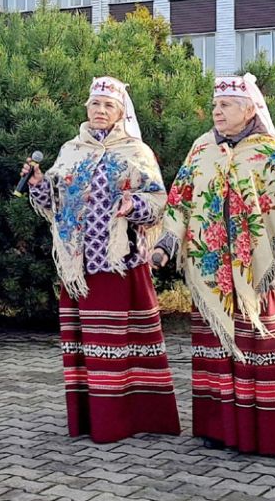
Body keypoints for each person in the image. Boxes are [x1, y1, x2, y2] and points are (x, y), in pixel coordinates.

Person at [152, 73, 275, 456]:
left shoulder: (269, 153)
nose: (217, 110)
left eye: (225, 105)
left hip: (252, 275)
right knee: (213, 347)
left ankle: (266, 435)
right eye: (215, 105)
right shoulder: (200, 149)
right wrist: (163, 247)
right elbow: (180, 202)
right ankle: (219, 430)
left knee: (255, 346)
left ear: (249, 109)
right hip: (209, 271)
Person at [24, 76, 181, 443]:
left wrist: (134, 204)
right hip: (77, 264)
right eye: (95, 104)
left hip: (119, 261)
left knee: (120, 342)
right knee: (87, 344)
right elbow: (54, 205)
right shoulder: (70, 151)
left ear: (121, 112)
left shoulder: (136, 152)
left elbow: (159, 201)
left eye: (108, 106)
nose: (100, 111)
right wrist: (37, 185)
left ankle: (129, 418)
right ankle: (91, 417)